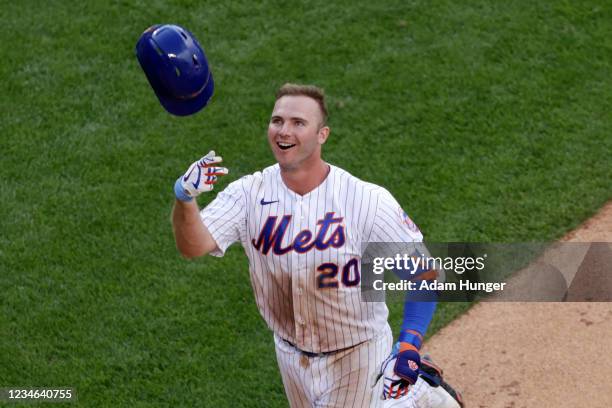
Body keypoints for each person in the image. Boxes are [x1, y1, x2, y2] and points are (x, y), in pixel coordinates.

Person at [171, 84, 463, 407]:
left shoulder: (366, 202)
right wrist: (185, 198)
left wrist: (408, 344)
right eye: (277, 120)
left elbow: (425, 276)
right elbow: (192, 246)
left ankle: (415, 395)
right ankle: (417, 396)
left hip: (357, 356)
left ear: (322, 134)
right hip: (291, 357)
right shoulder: (248, 195)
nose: (284, 130)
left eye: (298, 122)